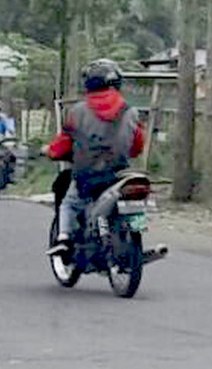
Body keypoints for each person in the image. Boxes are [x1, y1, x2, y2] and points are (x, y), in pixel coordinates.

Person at [45, 60, 144, 256]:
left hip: (88, 174)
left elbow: (63, 142)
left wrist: (50, 152)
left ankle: (64, 238)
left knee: (69, 202)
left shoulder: (77, 111)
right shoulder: (130, 111)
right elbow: (137, 144)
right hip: (119, 173)